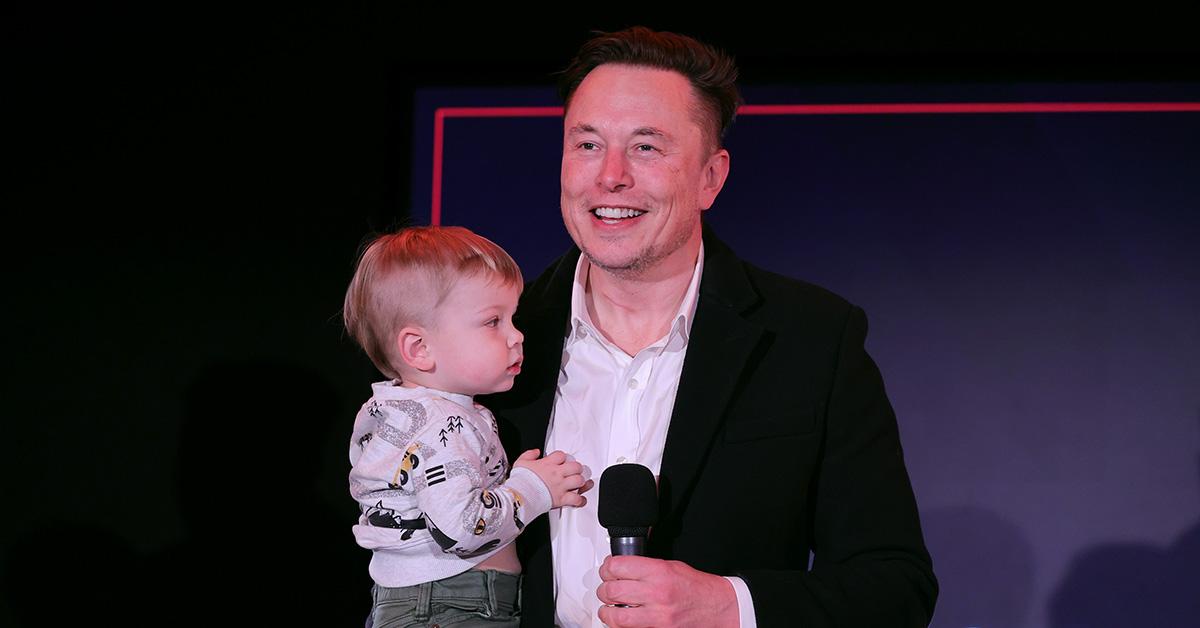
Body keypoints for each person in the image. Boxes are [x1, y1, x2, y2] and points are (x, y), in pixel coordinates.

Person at [483, 27, 938, 627]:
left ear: (711, 177)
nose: (610, 176)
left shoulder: (812, 341)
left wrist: (729, 605)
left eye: (646, 148)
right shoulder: (491, 339)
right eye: (588, 144)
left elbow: (893, 586)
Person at [343, 226, 592, 627]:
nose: (517, 336)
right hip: (454, 606)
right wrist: (533, 489)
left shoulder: (391, 409)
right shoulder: (443, 425)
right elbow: (461, 529)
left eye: (513, 318)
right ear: (419, 349)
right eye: (493, 322)